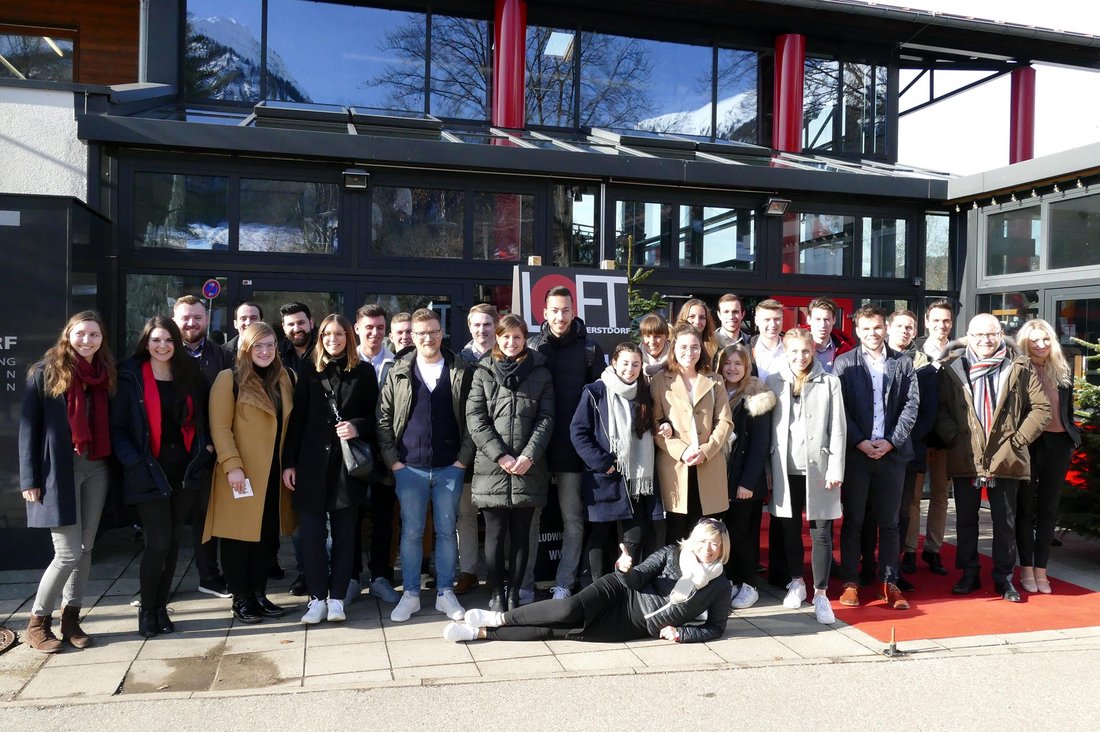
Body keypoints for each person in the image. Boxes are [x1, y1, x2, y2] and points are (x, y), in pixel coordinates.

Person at [442, 519, 731, 644]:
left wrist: (682, 634)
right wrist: (625, 569)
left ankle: (478, 634)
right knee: (566, 611)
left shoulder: (719, 586)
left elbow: (716, 627)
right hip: (620, 593)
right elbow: (636, 580)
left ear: (722, 549)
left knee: (558, 632)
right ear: (693, 540)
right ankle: (499, 618)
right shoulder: (672, 553)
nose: (708, 548)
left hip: (633, 625)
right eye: (703, 541)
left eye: (715, 544)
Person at [936, 313, 1051, 602]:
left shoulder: (1020, 366)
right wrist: (955, 436)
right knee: (965, 520)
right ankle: (969, 574)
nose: (985, 340)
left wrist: (1018, 439)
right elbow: (939, 410)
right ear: (968, 337)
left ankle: (1004, 578)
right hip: (966, 454)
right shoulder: (952, 367)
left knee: (1005, 522)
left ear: (1000, 334)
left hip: (1005, 457)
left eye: (991, 334)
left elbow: (1041, 409)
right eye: (978, 335)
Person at [19, 312, 116, 652]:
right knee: (68, 552)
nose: (87, 340)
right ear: (68, 335)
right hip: (57, 471)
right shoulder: (45, 373)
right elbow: (28, 429)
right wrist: (29, 479)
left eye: (94, 334)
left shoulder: (105, 374)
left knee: (86, 549)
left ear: (101, 339)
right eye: (81, 334)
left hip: (96, 467)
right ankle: (36, 622)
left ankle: (71, 619)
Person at [111, 316, 210, 637]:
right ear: (146, 342)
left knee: (173, 543)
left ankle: (161, 608)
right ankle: (147, 610)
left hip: (183, 472)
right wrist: (134, 462)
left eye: (168, 340)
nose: (163, 346)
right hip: (147, 472)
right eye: (156, 340)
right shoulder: (130, 375)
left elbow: (203, 417)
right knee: (158, 542)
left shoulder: (189, 373)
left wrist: (205, 450)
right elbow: (118, 428)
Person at [377, 308, 474, 622]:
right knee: (412, 533)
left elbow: (474, 419)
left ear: (441, 332)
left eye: (433, 331)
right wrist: (393, 462)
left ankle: (446, 593)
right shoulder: (399, 370)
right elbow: (383, 419)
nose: (427, 338)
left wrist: (463, 460)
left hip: (450, 467)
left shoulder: (461, 368)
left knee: (447, 532)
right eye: (421, 333)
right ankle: (411, 594)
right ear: (412, 336)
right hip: (409, 468)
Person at [283, 314, 378, 624]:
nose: (332, 340)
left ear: (349, 337)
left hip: (345, 467)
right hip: (311, 465)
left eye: (338, 334)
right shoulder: (309, 369)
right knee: (310, 535)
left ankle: (337, 598)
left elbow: (374, 418)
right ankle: (316, 598)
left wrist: (356, 426)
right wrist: (289, 463)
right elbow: (296, 420)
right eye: (326, 335)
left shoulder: (363, 372)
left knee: (344, 535)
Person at [204, 322, 297, 624]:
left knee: (267, 538)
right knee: (237, 538)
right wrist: (232, 466)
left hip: (275, 473)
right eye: (259, 345)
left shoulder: (286, 378)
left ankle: (259, 594)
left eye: (270, 345)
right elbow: (220, 428)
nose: (266, 351)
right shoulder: (228, 380)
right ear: (245, 347)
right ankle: (240, 599)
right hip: (241, 474)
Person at [467, 314, 555, 611]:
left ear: (525, 339)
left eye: (517, 337)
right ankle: (496, 594)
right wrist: (500, 455)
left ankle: (515, 593)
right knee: (494, 535)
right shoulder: (483, 371)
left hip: (528, 467)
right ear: (497, 338)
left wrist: (529, 455)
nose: (511, 342)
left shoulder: (541, 372)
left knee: (521, 536)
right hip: (493, 467)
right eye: (505, 336)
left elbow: (546, 419)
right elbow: (475, 419)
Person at [833, 306, 919, 611]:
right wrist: (859, 442)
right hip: (857, 456)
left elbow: (911, 406)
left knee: (891, 523)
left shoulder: (904, 363)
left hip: (891, 456)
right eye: (866, 328)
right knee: (854, 520)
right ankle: (851, 582)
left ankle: (889, 581)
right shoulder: (843, 364)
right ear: (858, 330)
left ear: (886, 328)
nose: (873, 333)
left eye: (878, 327)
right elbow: (839, 409)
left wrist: (891, 442)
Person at [524, 286, 606, 601]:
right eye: (554, 310)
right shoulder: (532, 347)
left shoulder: (590, 349)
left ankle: (564, 583)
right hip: (536, 450)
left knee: (573, 519)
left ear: (574, 311)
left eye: (566, 310)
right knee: (529, 521)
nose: (560, 316)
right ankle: (525, 584)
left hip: (574, 451)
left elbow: (600, 403)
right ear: (544, 313)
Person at [766, 328, 846, 625]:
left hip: (820, 468)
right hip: (784, 468)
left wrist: (836, 468)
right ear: (785, 352)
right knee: (788, 528)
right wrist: (767, 471)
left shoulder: (830, 383)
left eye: (805, 351)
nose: (800, 357)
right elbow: (768, 431)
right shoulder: (773, 382)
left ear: (814, 351)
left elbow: (838, 428)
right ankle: (797, 581)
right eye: (794, 352)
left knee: (821, 532)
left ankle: (821, 594)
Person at [571, 342, 663, 580]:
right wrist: (604, 463)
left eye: (635, 364)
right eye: (625, 363)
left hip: (636, 480)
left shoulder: (645, 391)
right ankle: (596, 588)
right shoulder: (595, 391)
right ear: (613, 363)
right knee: (600, 535)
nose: (630, 369)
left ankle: (625, 588)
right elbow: (579, 432)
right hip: (605, 477)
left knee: (634, 535)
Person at [173, 295, 233, 599]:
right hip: (170, 453)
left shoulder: (222, 356)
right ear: (174, 320)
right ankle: (156, 585)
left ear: (206, 320)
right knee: (165, 523)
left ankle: (209, 576)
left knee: (205, 516)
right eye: (185, 317)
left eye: (197, 317)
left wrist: (213, 444)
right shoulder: (162, 352)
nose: (191, 323)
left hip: (209, 452)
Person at [1015, 318, 1081, 594]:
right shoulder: (1019, 370)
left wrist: (1072, 436)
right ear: (1025, 343)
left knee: (1049, 509)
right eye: (1035, 340)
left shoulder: (1061, 370)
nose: (1041, 345)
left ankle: (1042, 570)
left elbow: (1067, 410)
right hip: (1030, 444)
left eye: (1046, 340)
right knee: (1025, 508)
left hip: (1059, 444)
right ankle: (1026, 569)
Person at [651, 323, 732, 542]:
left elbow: (725, 421)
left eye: (695, 347)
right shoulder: (660, 381)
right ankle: (676, 577)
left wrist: (706, 450)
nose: (690, 352)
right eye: (684, 347)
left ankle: (707, 577)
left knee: (707, 532)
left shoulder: (715, 380)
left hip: (710, 464)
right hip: (675, 467)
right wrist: (682, 451)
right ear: (674, 348)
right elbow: (654, 424)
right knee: (676, 533)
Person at [716, 344, 775, 610]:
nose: (732, 368)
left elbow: (760, 444)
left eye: (738, 364)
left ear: (747, 366)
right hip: (718, 478)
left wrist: (747, 483)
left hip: (744, 481)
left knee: (743, 535)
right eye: (727, 363)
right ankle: (730, 581)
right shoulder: (714, 390)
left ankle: (748, 584)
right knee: (724, 534)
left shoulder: (757, 394)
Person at [886, 309, 939, 592]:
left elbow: (926, 412)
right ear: (888, 327)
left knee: (902, 513)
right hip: (871, 451)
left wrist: (897, 440)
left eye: (910, 327)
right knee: (872, 512)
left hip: (906, 452)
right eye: (900, 326)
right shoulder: (874, 359)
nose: (904, 331)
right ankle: (867, 567)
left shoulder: (925, 367)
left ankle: (893, 571)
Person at [353, 303, 400, 603]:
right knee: (351, 517)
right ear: (356, 328)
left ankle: (381, 576)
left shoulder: (396, 364)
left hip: (385, 454)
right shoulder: (344, 361)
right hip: (353, 452)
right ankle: (351, 576)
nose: (375, 333)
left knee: (385, 518)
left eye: (380, 328)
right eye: (368, 327)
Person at [905, 299, 955, 576]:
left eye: (946, 320)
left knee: (940, 496)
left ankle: (933, 550)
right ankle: (910, 550)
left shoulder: (960, 352)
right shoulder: (915, 352)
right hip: (917, 435)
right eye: (936, 320)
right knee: (913, 497)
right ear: (927, 322)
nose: (941, 325)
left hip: (946, 436)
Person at [455, 303, 500, 595]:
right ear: (470, 327)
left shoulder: (508, 355)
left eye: (487, 324)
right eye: (477, 325)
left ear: (496, 326)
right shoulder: (459, 361)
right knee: (466, 514)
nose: (482, 330)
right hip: (467, 450)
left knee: (499, 517)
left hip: (501, 450)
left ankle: (499, 572)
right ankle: (468, 571)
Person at [805, 297, 854, 374]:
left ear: (834, 320)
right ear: (809, 320)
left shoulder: (845, 350)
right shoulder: (794, 346)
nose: (822, 325)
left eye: (826, 319)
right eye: (817, 319)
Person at [751, 298, 785, 383]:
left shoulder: (791, 349)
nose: (772, 324)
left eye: (777, 319)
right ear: (757, 321)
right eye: (767, 320)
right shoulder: (746, 350)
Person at [675, 298, 719, 364]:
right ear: (683, 317)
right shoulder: (672, 343)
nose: (697, 321)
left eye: (702, 318)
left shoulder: (715, 345)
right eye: (692, 316)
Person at [278, 302, 315, 376]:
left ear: (311, 324)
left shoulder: (324, 348)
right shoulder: (277, 352)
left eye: (301, 323)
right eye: (291, 324)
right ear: (284, 328)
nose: (296, 329)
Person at [639, 313, 670, 377]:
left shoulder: (678, 358)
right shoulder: (633, 359)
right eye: (647, 336)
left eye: (657, 336)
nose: (652, 341)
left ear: (667, 336)